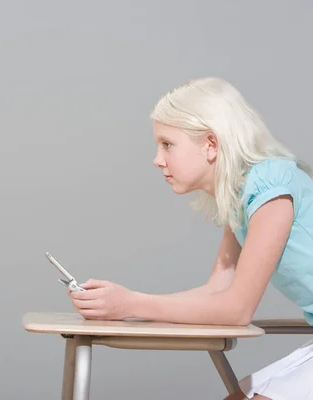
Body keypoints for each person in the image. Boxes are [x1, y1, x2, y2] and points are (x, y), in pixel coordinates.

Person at [69, 77, 313, 400]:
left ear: (210, 144)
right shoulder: (241, 195)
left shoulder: (270, 185)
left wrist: (129, 303)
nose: (158, 159)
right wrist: (124, 305)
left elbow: (237, 309)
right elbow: (219, 289)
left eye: (167, 144)